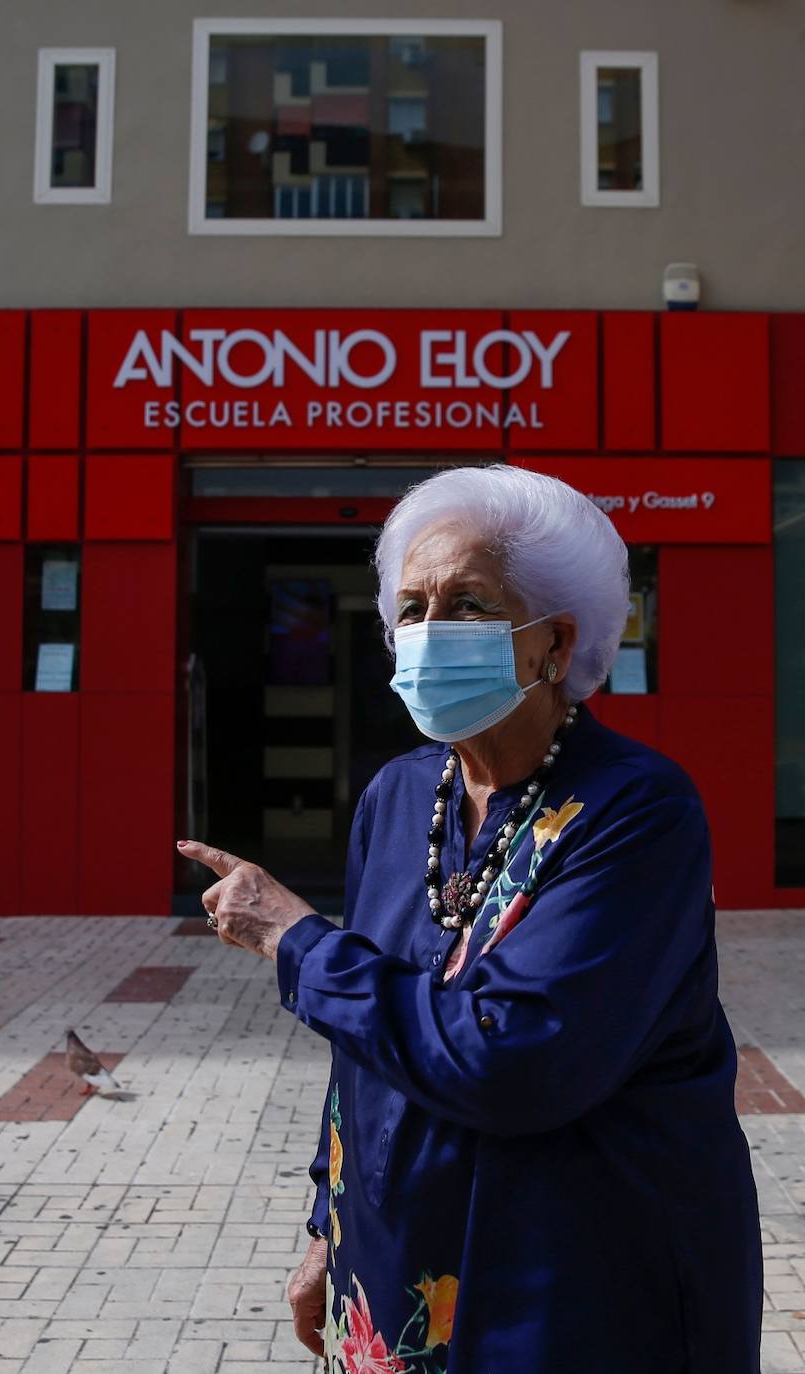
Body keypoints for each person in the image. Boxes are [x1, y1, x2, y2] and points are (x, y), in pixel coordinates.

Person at [178, 464, 762, 1374]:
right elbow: (364, 1059)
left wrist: (299, 943)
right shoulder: (402, 795)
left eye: (469, 605)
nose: (427, 633)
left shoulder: (636, 810)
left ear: (555, 644)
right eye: (409, 610)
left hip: (581, 1290)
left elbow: (515, 1061)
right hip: (403, 1273)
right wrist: (327, 1229)